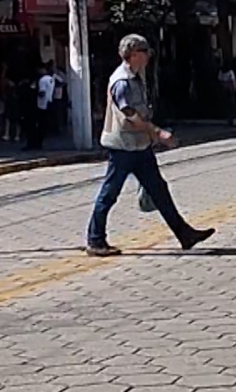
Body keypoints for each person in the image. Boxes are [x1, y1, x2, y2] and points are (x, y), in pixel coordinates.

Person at [85, 34, 215, 257]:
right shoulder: (122, 81)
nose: (148, 57)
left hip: (138, 145)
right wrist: (157, 132)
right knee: (110, 193)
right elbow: (130, 115)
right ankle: (95, 240)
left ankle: (185, 234)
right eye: (145, 52)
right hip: (123, 146)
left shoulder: (135, 77)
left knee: (159, 190)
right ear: (134, 54)